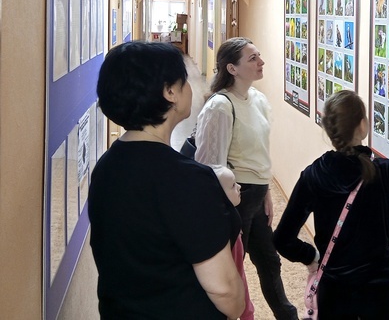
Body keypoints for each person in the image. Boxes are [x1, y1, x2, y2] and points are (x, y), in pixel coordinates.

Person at [89, 41, 245, 319]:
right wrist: (237, 308)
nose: (190, 87)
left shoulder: (106, 166)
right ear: (170, 92)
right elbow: (224, 291)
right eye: (184, 80)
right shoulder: (189, 180)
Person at [273, 90, 389, 319]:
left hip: (334, 293)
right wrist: (383, 229)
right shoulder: (387, 172)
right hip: (379, 294)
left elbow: (282, 239)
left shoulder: (314, 175)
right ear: (363, 126)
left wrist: (312, 256)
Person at [195, 37, 298, 319]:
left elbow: (260, 152)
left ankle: (287, 314)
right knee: (232, 268)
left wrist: (267, 192)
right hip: (235, 198)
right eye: (252, 58)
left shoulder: (258, 99)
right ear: (232, 68)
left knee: (269, 261)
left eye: (259, 55)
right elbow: (208, 165)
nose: (261, 62)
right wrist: (225, 210)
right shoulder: (219, 107)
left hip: (257, 195)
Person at [213, 166, 255, 320]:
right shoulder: (231, 233)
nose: (239, 187)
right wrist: (247, 313)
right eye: (232, 185)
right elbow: (238, 274)